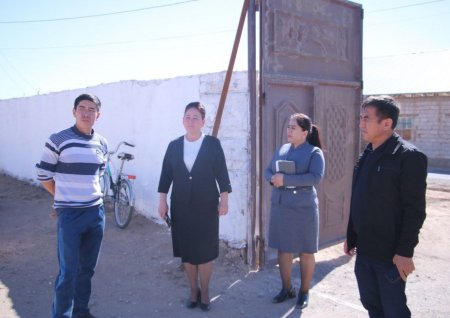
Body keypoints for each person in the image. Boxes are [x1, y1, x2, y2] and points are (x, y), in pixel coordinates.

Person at [344, 95, 427, 317]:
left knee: (394, 311)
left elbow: (415, 210)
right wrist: (351, 235)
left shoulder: (408, 157)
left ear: (386, 123)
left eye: (366, 118)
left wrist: (404, 252)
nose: (361, 123)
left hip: (389, 256)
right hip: (366, 251)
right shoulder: (367, 154)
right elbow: (359, 197)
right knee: (372, 306)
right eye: (361, 117)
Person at [36, 93, 108, 318]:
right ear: (74, 111)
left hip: (95, 214)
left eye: (91, 109)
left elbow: (99, 174)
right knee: (68, 272)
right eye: (82, 108)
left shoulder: (102, 143)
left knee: (86, 269)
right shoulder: (58, 140)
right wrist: (63, 199)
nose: (86, 113)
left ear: (98, 114)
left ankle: (81, 311)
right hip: (70, 216)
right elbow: (43, 174)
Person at [157, 101, 232, 311]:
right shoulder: (174, 146)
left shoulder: (212, 144)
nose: (191, 121)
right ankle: (192, 289)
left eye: (195, 118)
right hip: (180, 206)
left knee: (205, 251)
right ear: (183, 120)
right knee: (187, 251)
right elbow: (165, 176)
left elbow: (222, 174)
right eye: (187, 117)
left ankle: (206, 291)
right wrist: (162, 200)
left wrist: (224, 199)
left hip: (207, 206)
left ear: (203, 122)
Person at [265, 113, 325, 309]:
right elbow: (268, 170)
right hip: (282, 206)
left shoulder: (314, 152)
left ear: (305, 132)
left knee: (306, 251)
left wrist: (286, 180)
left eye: (293, 128)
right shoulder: (282, 149)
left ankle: (304, 291)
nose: (289, 130)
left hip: (304, 209)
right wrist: (273, 178)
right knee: (284, 249)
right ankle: (287, 288)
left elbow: (315, 177)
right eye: (288, 126)